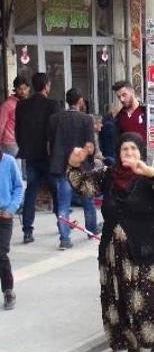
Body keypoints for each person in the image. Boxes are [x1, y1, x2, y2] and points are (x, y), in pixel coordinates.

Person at [67, 132, 154, 352]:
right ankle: (132, 349)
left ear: (141, 152)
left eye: (133, 149)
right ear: (118, 153)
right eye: (124, 150)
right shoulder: (108, 176)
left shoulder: (152, 175)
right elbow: (82, 185)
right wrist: (74, 163)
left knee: (151, 298)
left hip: (150, 247)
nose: (129, 154)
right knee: (121, 299)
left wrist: (151, 173)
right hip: (115, 250)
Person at [48, 88, 97, 249]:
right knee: (87, 201)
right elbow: (89, 145)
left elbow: (50, 143)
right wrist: (91, 158)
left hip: (62, 167)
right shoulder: (86, 119)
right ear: (81, 100)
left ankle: (64, 239)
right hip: (82, 166)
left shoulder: (55, 119)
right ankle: (91, 230)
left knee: (63, 204)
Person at [16, 72, 61, 244]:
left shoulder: (22, 105)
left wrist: (25, 147)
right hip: (49, 157)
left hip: (31, 156)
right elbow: (57, 132)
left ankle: (27, 231)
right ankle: (61, 224)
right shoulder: (53, 105)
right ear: (47, 86)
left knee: (31, 192)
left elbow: (18, 132)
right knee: (56, 192)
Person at [0, 147, 23, 310]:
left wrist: (12, 208)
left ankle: (8, 290)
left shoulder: (8, 162)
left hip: (4, 215)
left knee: (1, 252)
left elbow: (18, 187)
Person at [0, 76, 30, 157]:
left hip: (25, 142)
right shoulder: (7, 105)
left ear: (29, 88)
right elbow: (1, 124)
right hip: (10, 144)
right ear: (15, 89)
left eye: (25, 88)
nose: (23, 91)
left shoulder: (28, 104)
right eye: (20, 89)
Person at [111, 80, 146, 145]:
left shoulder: (145, 111)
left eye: (124, 95)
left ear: (132, 92)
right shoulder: (119, 117)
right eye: (119, 97)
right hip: (128, 153)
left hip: (145, 153)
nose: (122, 99)